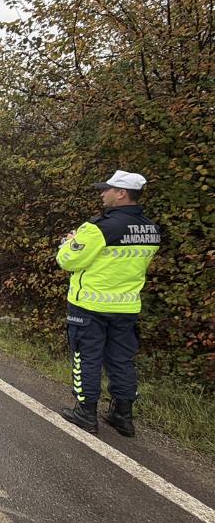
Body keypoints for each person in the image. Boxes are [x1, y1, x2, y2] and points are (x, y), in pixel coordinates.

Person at [57, 170, 159, 437]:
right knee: (122, 360)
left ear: (122, 193)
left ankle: (86, 413)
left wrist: (68, 243)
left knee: (86, 358)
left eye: (107, 189)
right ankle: (122, 416)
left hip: (89, 306)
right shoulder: (150, 229)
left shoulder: (99, 228)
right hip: (126, 307)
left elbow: (68, 260)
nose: (102, 193)